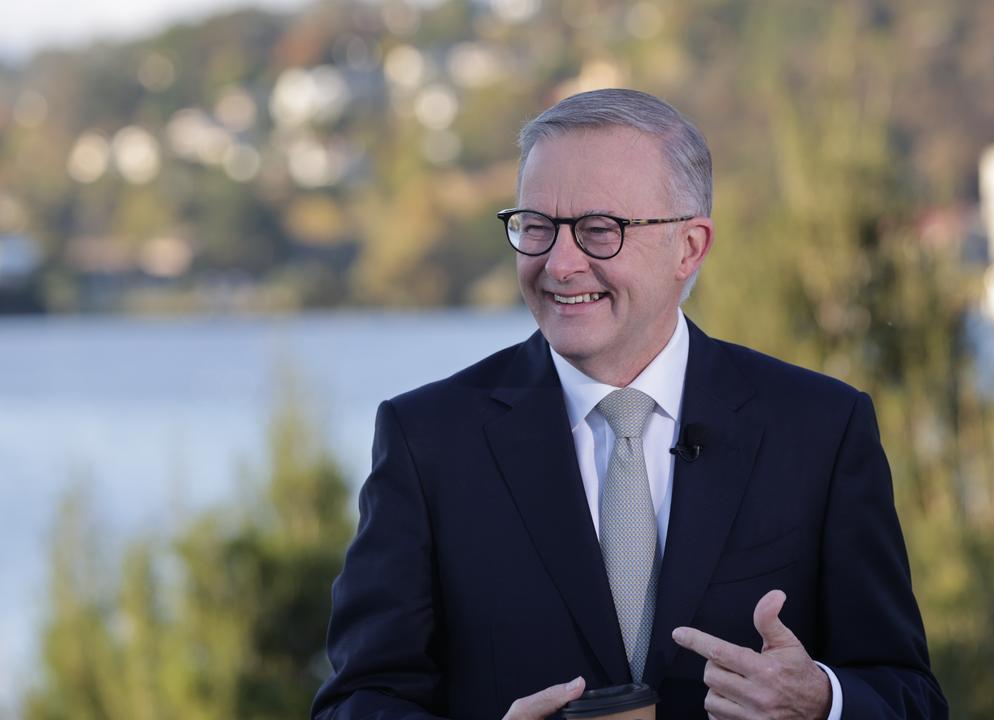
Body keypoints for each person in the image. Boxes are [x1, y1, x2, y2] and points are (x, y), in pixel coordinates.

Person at [312, 88, 947, 720]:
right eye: (535, 228)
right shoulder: (428, 439)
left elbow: (909, 697)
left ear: (690, 247)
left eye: (598, 230)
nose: (559, 264)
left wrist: (821, 701)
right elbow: (358, 701)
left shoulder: (819, 429)